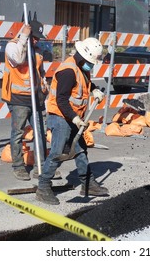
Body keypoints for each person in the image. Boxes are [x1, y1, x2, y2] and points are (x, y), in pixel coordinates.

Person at [36, 37, 109, 205]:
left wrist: (95, 90)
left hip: (73, 118)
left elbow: (84, 84)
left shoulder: (81, 67)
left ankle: (88, 184)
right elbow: (61, 100)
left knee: (80, 150)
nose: (91, 65)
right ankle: (43, 187)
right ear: (83, 56)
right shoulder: (68, 71)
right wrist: (75, 118)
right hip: (61, 116)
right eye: (91, 61)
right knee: (57, 152)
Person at [1, 20, 49, 181]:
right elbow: (18, 60)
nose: (36, 40)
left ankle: (40, 166)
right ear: (27, 33)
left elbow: (40, 71)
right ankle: (18, 166)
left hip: (36, 98)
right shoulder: (13, 46)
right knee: (18, 134)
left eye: (38, 38)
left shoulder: (37, 49)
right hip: (18, 98)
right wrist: (23, 38)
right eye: (34, 37)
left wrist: (44, 85)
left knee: (40, 133)